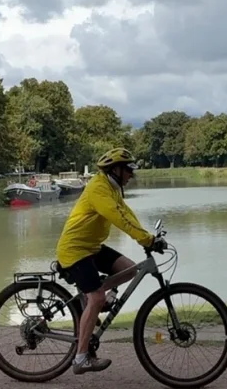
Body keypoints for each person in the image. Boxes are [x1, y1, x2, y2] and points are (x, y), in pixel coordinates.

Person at [55, 147, 165, 375]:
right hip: (75, 250)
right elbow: (117, 219)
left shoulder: (112, 188)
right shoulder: (98, 188)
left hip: (92, 247)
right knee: (96, 297)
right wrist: (144, 240)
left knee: (129, 269)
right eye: (128, 170)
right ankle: (81, 358)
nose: (131, 175)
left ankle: (94, 296)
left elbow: (126, 213)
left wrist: (148, 237)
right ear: (115, 169)